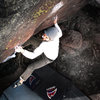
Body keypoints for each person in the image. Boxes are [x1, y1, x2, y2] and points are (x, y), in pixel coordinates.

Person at [14, 16, 62, 88]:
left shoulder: (45, 44)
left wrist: (22, 51)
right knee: (32, 39)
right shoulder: (57, 35)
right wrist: (55, 23)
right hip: (48, 52)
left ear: (51, 39)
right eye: (45, 35)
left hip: (48, 59)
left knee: (31, 67)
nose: (43, 37)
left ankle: (21, 80)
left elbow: (33, 56)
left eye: (46, 37)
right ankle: (21, 46)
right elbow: (60, 32)